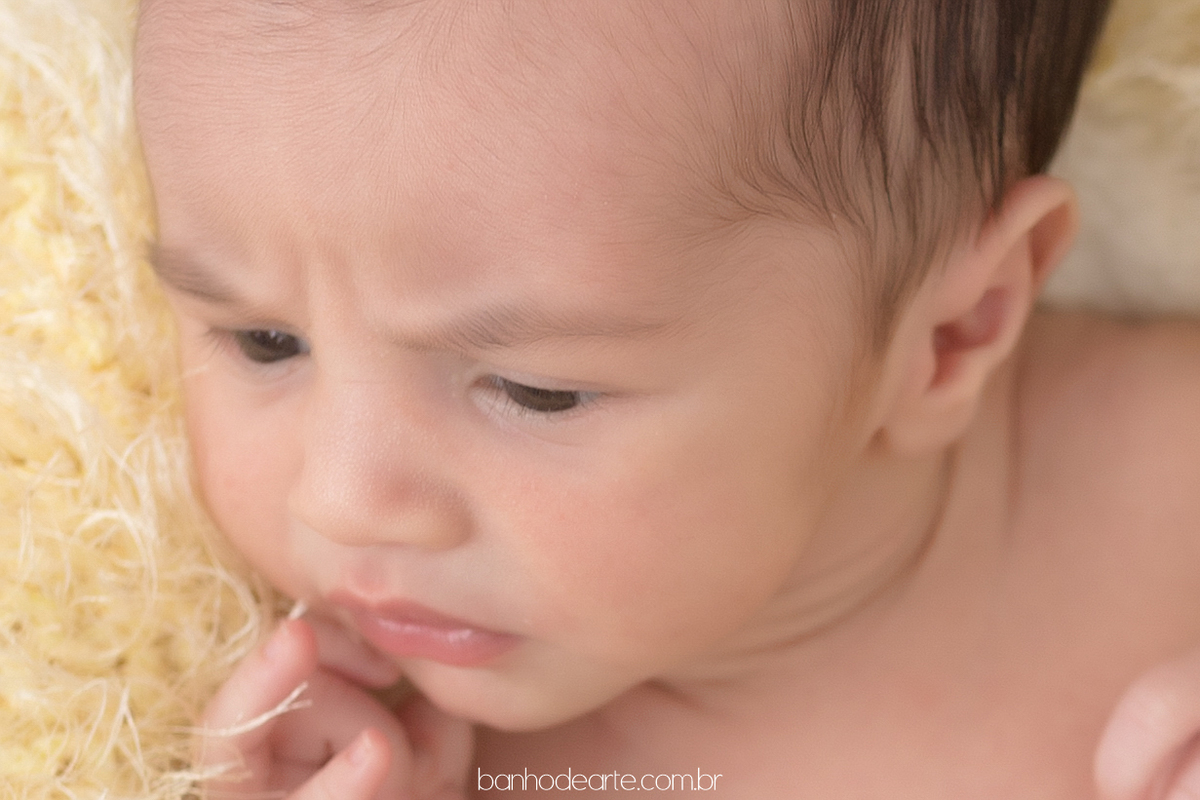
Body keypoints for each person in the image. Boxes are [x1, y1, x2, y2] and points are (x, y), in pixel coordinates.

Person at [131, 0, 1200, 796]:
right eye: (264, 340)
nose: (341, 500)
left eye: (536, 391)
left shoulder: (1168, 469)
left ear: (951, 335)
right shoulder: (404, 752)